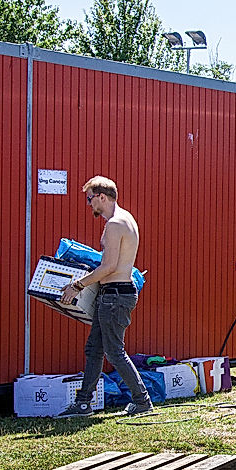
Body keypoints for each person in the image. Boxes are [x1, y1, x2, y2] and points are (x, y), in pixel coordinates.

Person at [56, 176, 154, 417]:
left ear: (102, 196)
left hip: (115, 295)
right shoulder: (127, 219)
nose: (89, 205)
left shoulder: (114, 224)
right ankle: (83, 404)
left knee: (114, 351)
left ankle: (142, 402)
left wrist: (77, 285)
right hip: (114, 294)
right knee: (94, 349)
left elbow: (108, 266)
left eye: (90, 199)